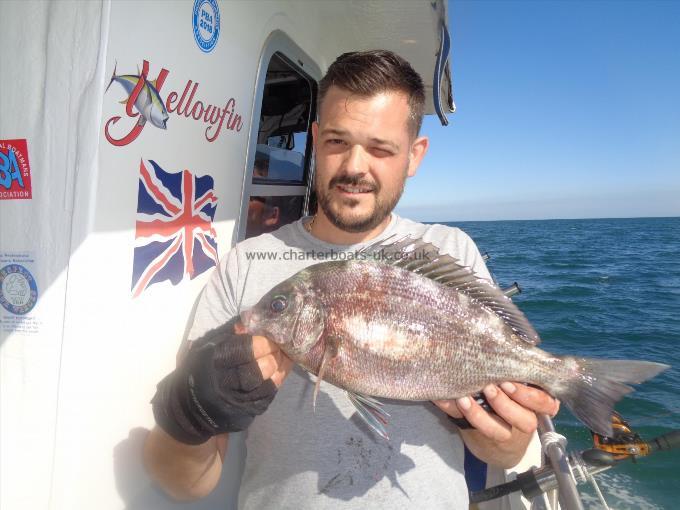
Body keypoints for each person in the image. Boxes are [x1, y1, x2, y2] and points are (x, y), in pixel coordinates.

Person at [143, 50, 559, 509]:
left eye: (381, 149)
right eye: (338, 142)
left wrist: (504, 436)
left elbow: (504, 450)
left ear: (414, 155)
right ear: (316, 140)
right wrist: (192, 412)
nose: (355, 167)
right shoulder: (245, 265)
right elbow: (183, 484)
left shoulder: (450, 249)